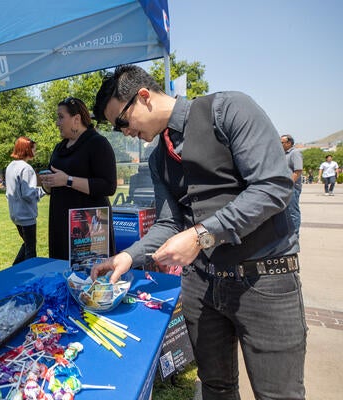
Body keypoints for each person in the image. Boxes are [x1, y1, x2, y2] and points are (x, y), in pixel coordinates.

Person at [91, 65, 305, 399]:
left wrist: (201, 236)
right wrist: (127, 256)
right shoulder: (159, 159)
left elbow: (273, 187)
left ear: (143, 97)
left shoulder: (228, 109)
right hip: (202, 283)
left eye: (122, 121)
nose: (124, 133)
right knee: (215, 387)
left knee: (278, 394)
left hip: (264, 281)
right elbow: (169, 223)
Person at [39, 97, 117, 260]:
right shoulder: (59, 147)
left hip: (89, 227)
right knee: (62, 269)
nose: (57, 123)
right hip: (61, 222)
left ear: (76, 119)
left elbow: (108, 186)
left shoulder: (98, 143)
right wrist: (48, 183)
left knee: (90, 276)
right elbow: (55, 183)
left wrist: (68, 180)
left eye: (61, 117)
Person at [5, 137, 45, 265]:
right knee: (31, 251)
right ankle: (28, 276)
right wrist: (45, 190)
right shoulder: (26, 169)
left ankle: (14, 268)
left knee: (27, 244)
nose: (36, 152)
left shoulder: (11, 166)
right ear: (27, 149)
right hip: (26, 215)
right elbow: (28, 194)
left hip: (15, 214)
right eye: (34, 149)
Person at [281, 134, 303, 234]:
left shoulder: (295, 153)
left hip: (292, 187)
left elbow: (298, 171)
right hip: (284, 187)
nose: (280, 144)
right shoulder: (283, 154)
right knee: (285, 212)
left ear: (289, 143)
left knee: (293, 212)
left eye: (282, 142)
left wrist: (289, 184)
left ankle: (294, 236)